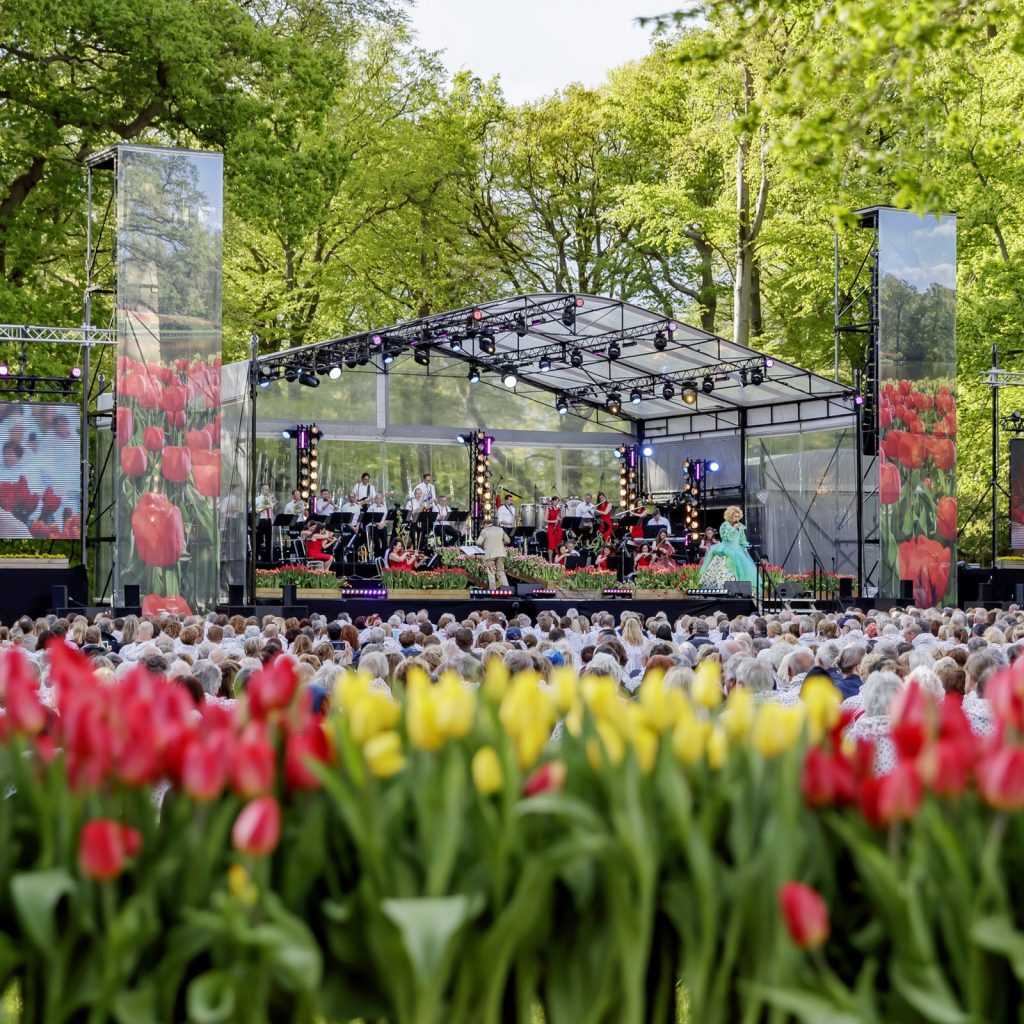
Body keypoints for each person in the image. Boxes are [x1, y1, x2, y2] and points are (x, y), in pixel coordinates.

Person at [699, 506, 757, 588]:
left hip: (738, 550)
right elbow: (725, 537)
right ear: (730, 516)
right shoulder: (724, 525)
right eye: (735, 516)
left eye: (738, 517)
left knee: (743, 571)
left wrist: (744, 546)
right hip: (726, 549)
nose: (737, 519)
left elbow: (742, 539)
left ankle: (741, 590)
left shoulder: (740, 526)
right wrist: (733, 528)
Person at [475, 514, 511, 588]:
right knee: (501, 572)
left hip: (490, 554)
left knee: (491, 572)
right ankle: (507, 589)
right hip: (500, 553)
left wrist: (484, 546)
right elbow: (508, 540)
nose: (482, 527)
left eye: (483, 525)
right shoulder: (500, 529)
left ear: (485, 524)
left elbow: (478, 542)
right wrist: (501, 544)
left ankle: (492, 591)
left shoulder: (484, 531)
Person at [254, 484, 276, 561]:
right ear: (262, 490)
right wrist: (264, 506)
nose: (267, 491)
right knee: (259, 539)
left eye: (268, 489)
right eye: (266, 489)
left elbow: (273, 511)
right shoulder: (257, 499)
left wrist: (274, 504)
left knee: (269, 540)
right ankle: (256, 557)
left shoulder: (269, 498)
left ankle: (268, 558)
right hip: (262, 519)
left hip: (269, 519)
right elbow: (255, 510)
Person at [545, 498, 563, 562]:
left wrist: (560, 519)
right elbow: (545, 520)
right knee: (551, 545)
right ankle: (550, 562)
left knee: (558, 545)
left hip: (558, 528)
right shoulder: (548, 509)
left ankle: (558, 561)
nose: (556, 502)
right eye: (555, 501)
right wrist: (553, 521)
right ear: (552, 501)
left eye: (557, 501)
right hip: (551, 528)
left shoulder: (559, 509)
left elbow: (562, 520)